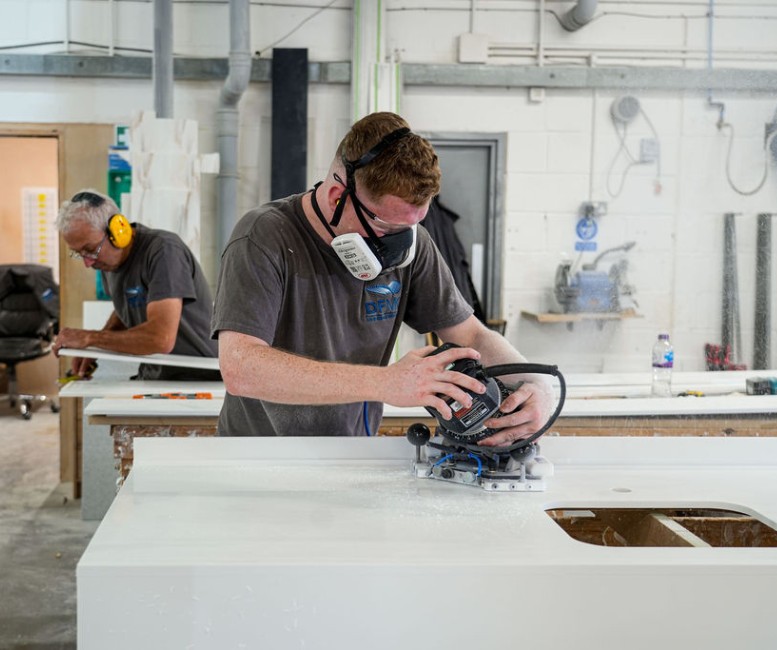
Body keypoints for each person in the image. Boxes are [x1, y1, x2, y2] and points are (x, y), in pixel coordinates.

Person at [212, 111, 553, 445]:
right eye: (386, 228)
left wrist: (537, 384)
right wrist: (385, 383)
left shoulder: (415, 245)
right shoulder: (263, 237)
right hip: (259, 457)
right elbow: (241, 367)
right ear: (337, 198)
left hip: (351, 453)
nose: (399, 243)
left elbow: (472, 336)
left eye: (411, 226)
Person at [53, 189, 221, 381]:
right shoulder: (108, 263)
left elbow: (161, 339)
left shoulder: (164, 251)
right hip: (156, 376)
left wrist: (90, 338)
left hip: (200, 379)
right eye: (79, 254)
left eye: (90, 250)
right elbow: (128, 305)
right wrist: (95, 347)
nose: (87, 262)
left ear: (118, 230)